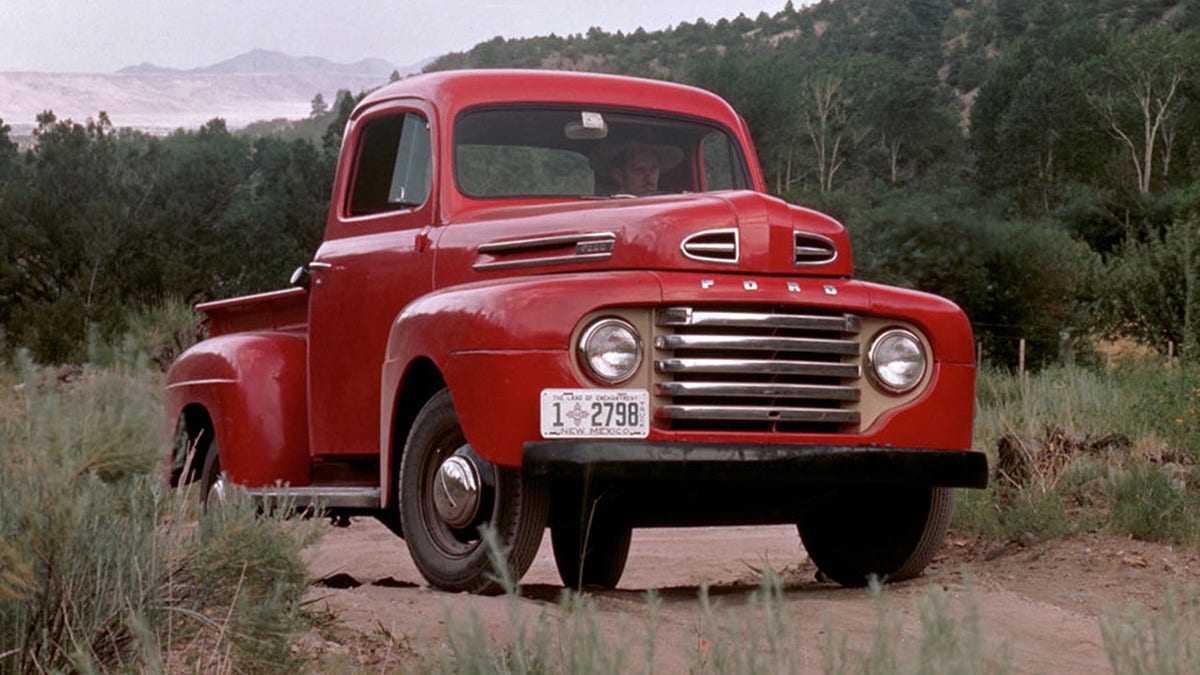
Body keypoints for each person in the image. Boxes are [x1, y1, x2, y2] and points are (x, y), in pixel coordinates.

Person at [594, 141, 684, 196]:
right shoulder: (611, 207)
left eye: (653, 168)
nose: (648, 176)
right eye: (640, 169)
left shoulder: (669, 203)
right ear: (619, 175)